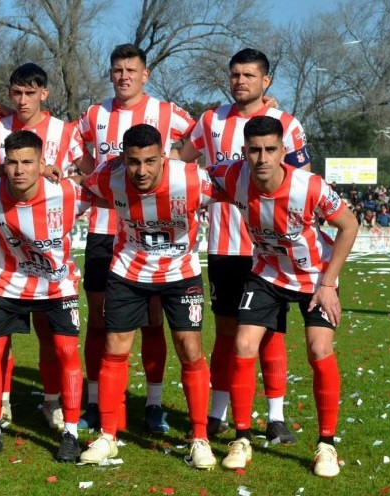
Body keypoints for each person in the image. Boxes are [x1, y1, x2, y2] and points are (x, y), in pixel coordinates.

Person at [209, 115, 358, 478]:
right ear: (244, 152)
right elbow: (183, 173)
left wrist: (329, 283)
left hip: (314, 277)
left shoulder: (309, 186)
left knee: (319, 349)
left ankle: (326, 444)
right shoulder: (231, 175)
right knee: (243, 344)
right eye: (254, 150)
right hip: (267, 274)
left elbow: (349, 225)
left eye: (270, 149)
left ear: (283, 151)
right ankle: (241, 439)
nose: (262, 158)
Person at [178, 48, 311, 443]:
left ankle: (275, 417)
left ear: (266, 81)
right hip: (225, 245)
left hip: (271, 250)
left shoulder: (286, 123)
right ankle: (218, 413)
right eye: (235, 74)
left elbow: (301, 184)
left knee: (271, 335)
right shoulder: (209, 120)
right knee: (225, 332)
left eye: (249, 75)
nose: (241, 81)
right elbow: (182, 162)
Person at [78, 124, 217, 470]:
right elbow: (84, 188)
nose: (142, 170)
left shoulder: (192, 179)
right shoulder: (109, 176)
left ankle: (199, 438)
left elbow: (237, 189)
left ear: (165, 157)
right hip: (128, 271)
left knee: (190, 348)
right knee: (115, 346)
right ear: (123, 159)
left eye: (150, 161)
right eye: (134, 162)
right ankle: (108, 436)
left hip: (180, 273)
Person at [76, 43, 195, 432]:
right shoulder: (94, 114)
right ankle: (97, 402)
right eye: (117, 70)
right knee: (101, 323)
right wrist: (95, 179)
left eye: (131, 70)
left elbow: (204, 141)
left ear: (145, 74)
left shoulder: (167, 113)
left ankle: (154, 404)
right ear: (110, 74)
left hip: (151, 235)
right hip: (104, 232)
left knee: (153, 323)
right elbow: (71, 146)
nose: (124, 76)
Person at [0, 62, 84, 430]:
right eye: (17, 93)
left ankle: (51, 403)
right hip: (2, 249)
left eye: (31, 93)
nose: (23, 100)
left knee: (52, 334)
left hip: (48, 249)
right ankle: (1, 403)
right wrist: (4, 169)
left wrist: (61, 176)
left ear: (44, 93)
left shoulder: (64, 131)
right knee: (0, 333)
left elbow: (85, 170)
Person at [0, 130, 93, 462]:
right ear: (3, 165)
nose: (20, 170)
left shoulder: (66, 192)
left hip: (56, 284)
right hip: (6, 282)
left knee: (66, 350)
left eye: (27, 162)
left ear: (42, 164)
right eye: (12, 163)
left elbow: (110, 192)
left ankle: (71, 433)